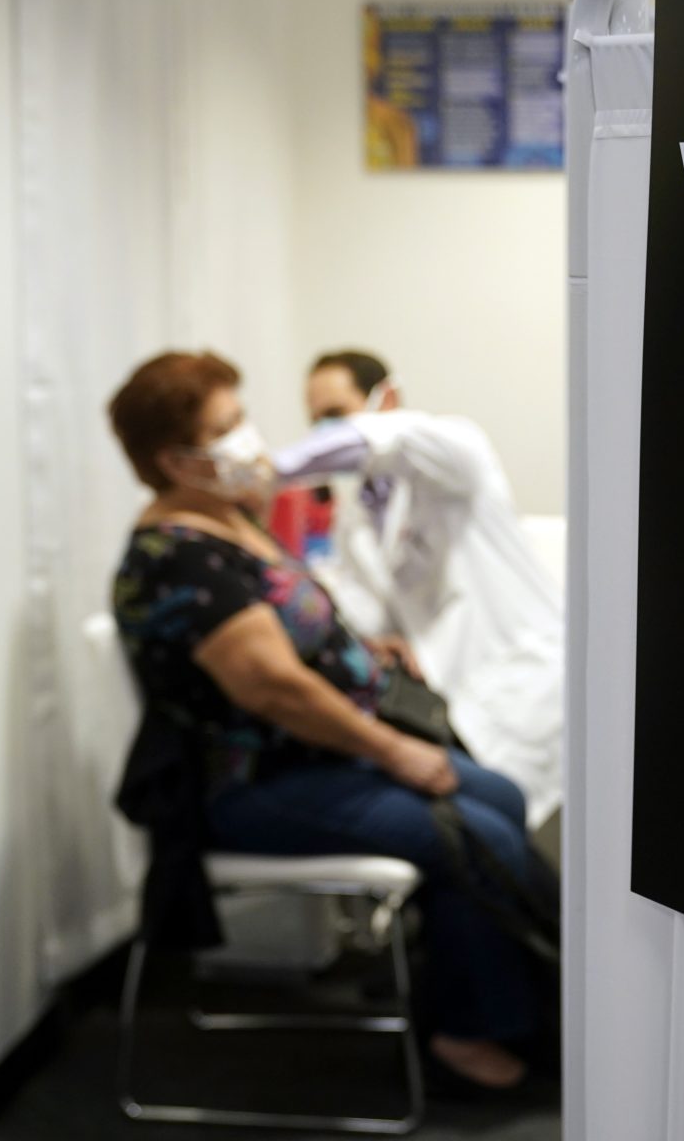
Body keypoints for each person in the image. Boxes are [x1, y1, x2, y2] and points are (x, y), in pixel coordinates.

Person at [107, 350, 534, 1090]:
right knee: (473, 834)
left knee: (500, 796)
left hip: (321, 754)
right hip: (257, 784)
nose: (250, 438)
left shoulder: (228, 521)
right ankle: (475, 1032)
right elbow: (275, 689)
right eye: (227, 426)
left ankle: (483, 999)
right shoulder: (175, 560)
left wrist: (363, 651)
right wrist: (395, 751)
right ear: (175, 460)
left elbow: (293, 628)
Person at [273, 351, 564, 828]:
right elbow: (368, 613)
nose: (325, 434)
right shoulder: (356, 516)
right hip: (450, 699)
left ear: (387, 398)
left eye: (335, 415)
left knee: (481, 821)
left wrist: (274, 469)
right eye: (315, 421)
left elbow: (393, 440)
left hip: (526, 680)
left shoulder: (454, 451)